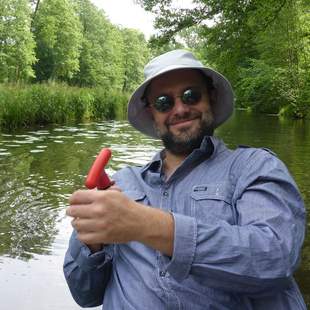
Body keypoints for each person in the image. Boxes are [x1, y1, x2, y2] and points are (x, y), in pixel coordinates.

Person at [64, 49, 306, 309]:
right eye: (164, 102)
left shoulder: (254, 167)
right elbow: (84, 294)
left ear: (211, 97)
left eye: (191, 95)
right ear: (151, 113)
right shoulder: (121, 184)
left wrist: (145, 224)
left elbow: (276, 258)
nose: (180, 109)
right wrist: (91, 243)